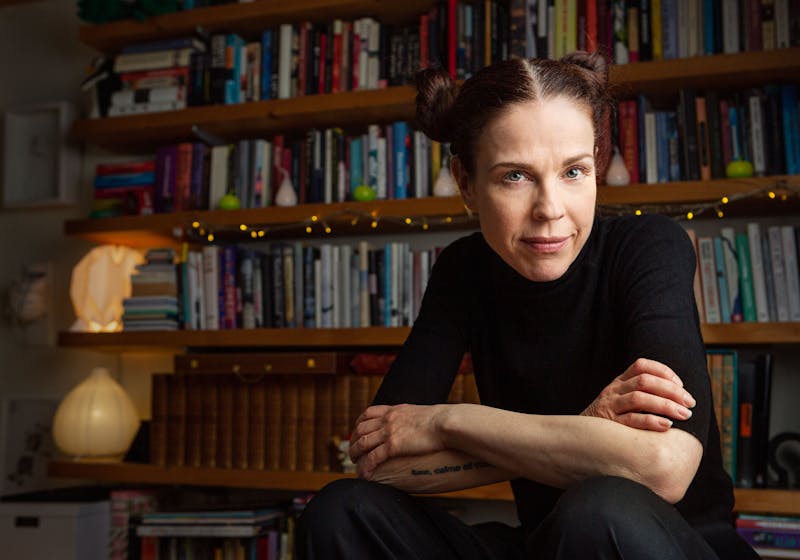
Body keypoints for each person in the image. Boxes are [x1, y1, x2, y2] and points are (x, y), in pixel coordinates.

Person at [296, 52, 758, 559]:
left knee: (599, 507)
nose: (550, 209)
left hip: (671, 544)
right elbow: (380, 464)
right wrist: (587, 427)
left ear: (596, 165)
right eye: (515, 176)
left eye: (573, 171)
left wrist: (449, 422)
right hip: (549, 545)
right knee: (342, 510)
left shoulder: (649, 247)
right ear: (466, 183)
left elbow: (664, 469)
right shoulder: (463, 270)